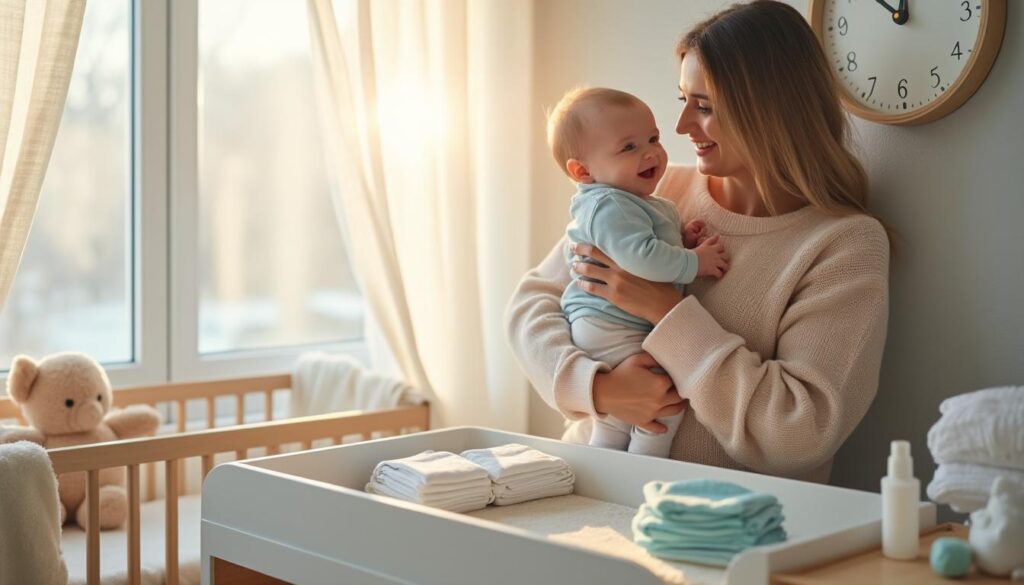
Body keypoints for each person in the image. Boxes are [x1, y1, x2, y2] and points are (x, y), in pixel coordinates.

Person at [505, 0, 892, 483]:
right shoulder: (653, 193)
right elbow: (531, 304)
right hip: (589, 493)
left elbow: (798, 431)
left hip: (725, 530)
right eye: (682, 100)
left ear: (771, 112)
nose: (682, 126)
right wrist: (598, 389)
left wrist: (667, 311)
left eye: (704, 107)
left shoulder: (843, 246)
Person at [546, 87, 729, 457]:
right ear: (582, 171)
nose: (651, 152)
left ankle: (608, 470)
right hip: (608, 326)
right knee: (661, 402)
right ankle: (645, 470)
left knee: (614, 421)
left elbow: (646, 246)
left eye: (653, 138)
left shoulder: (634, 199)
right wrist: (695, 262)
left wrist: (679, 241)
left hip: (608, 325)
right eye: (628, 147)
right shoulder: (608, 204)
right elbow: (642, 259)